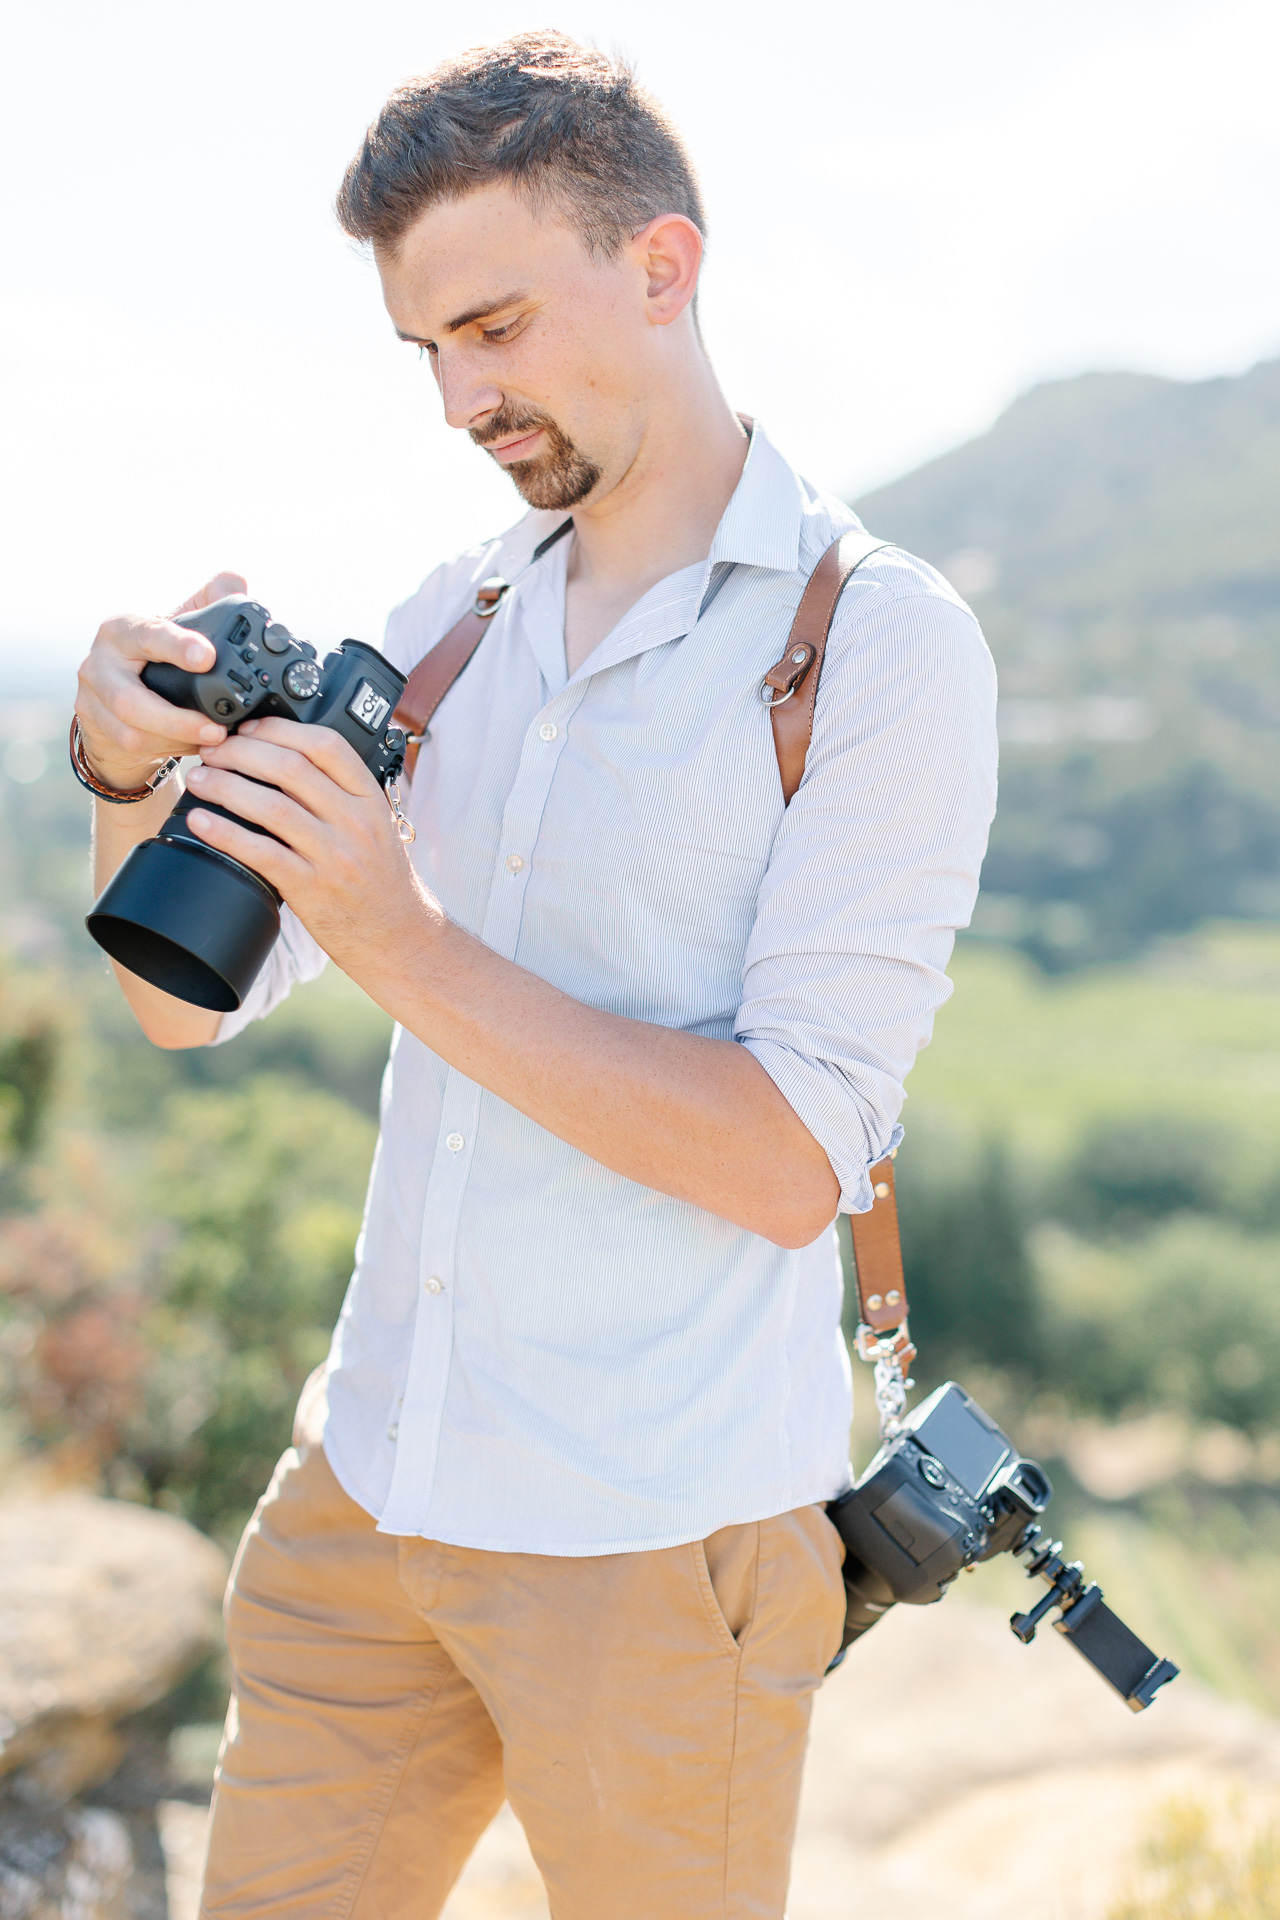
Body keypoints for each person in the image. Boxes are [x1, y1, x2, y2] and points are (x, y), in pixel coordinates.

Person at [75, 30, 997, 1919]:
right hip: (364, 1500)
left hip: (660, 1549)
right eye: (427, 347)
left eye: (493, 326)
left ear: (663, 266)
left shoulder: (877, 647)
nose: (455, 398)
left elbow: (785, 1162)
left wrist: (398, 936)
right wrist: (120, 779)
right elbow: (181, 1008)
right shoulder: (450, 621)